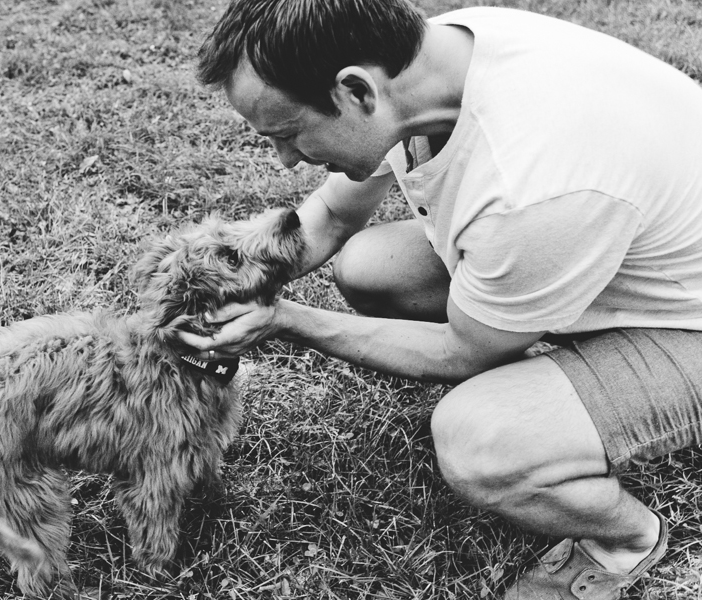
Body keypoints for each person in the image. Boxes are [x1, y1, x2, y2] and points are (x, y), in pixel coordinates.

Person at [182, 0, 702, 598]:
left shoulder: (530, 179)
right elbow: (327, 215)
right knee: (372, 268)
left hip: (685, 322)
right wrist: (231, 282)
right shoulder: (429, 61)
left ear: (354, 92)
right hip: (614, 256)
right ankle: (544, 364)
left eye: (288, 132)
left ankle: (624, 539)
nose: (287, 159)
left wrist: (288, 321)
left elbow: (463, 353)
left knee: (479, 438)